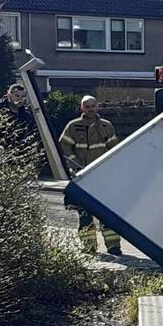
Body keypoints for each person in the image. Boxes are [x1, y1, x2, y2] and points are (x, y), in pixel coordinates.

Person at [58, 95, 122, 255]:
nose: (91, 109)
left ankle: (114, 246)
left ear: (98, 107)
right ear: (82, 108)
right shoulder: (73, 126)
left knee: (107, 214)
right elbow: (64, 149)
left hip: (103, 177)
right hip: (82, 177)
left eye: (93, 106)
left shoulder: (107, 126)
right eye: (87, 106)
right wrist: (77, 167)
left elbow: (115, 150)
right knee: (85, 215)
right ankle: (89, 247)